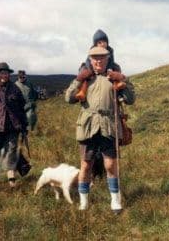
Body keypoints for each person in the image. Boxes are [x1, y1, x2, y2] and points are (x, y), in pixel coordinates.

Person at [64, 46, 134, 212]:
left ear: (107, 59)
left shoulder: (113, 77)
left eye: (102, 58)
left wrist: (123, 78)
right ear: (90, 60)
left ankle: (115, 201)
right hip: (87, 126)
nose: (98, 61)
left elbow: (131, 99)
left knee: (110, 165)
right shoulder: (85, 79)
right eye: (95, 58)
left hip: (108, 125)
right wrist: (79, 79)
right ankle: (84, 203)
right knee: (86, 166)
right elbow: (68, 98)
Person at [74, 29, 123, 102]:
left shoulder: (110, 50)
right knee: (83, 71)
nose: (102, 44)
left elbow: (111, 61)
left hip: (107, 68)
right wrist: (90, 71)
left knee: (116, 69)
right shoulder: (92, 50)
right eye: (100, 42)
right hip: (91, 69)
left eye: (104, 42)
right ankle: (82, 92)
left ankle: (118, 85)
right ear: (95, 44)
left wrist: (109, 69)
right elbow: (88, 61)